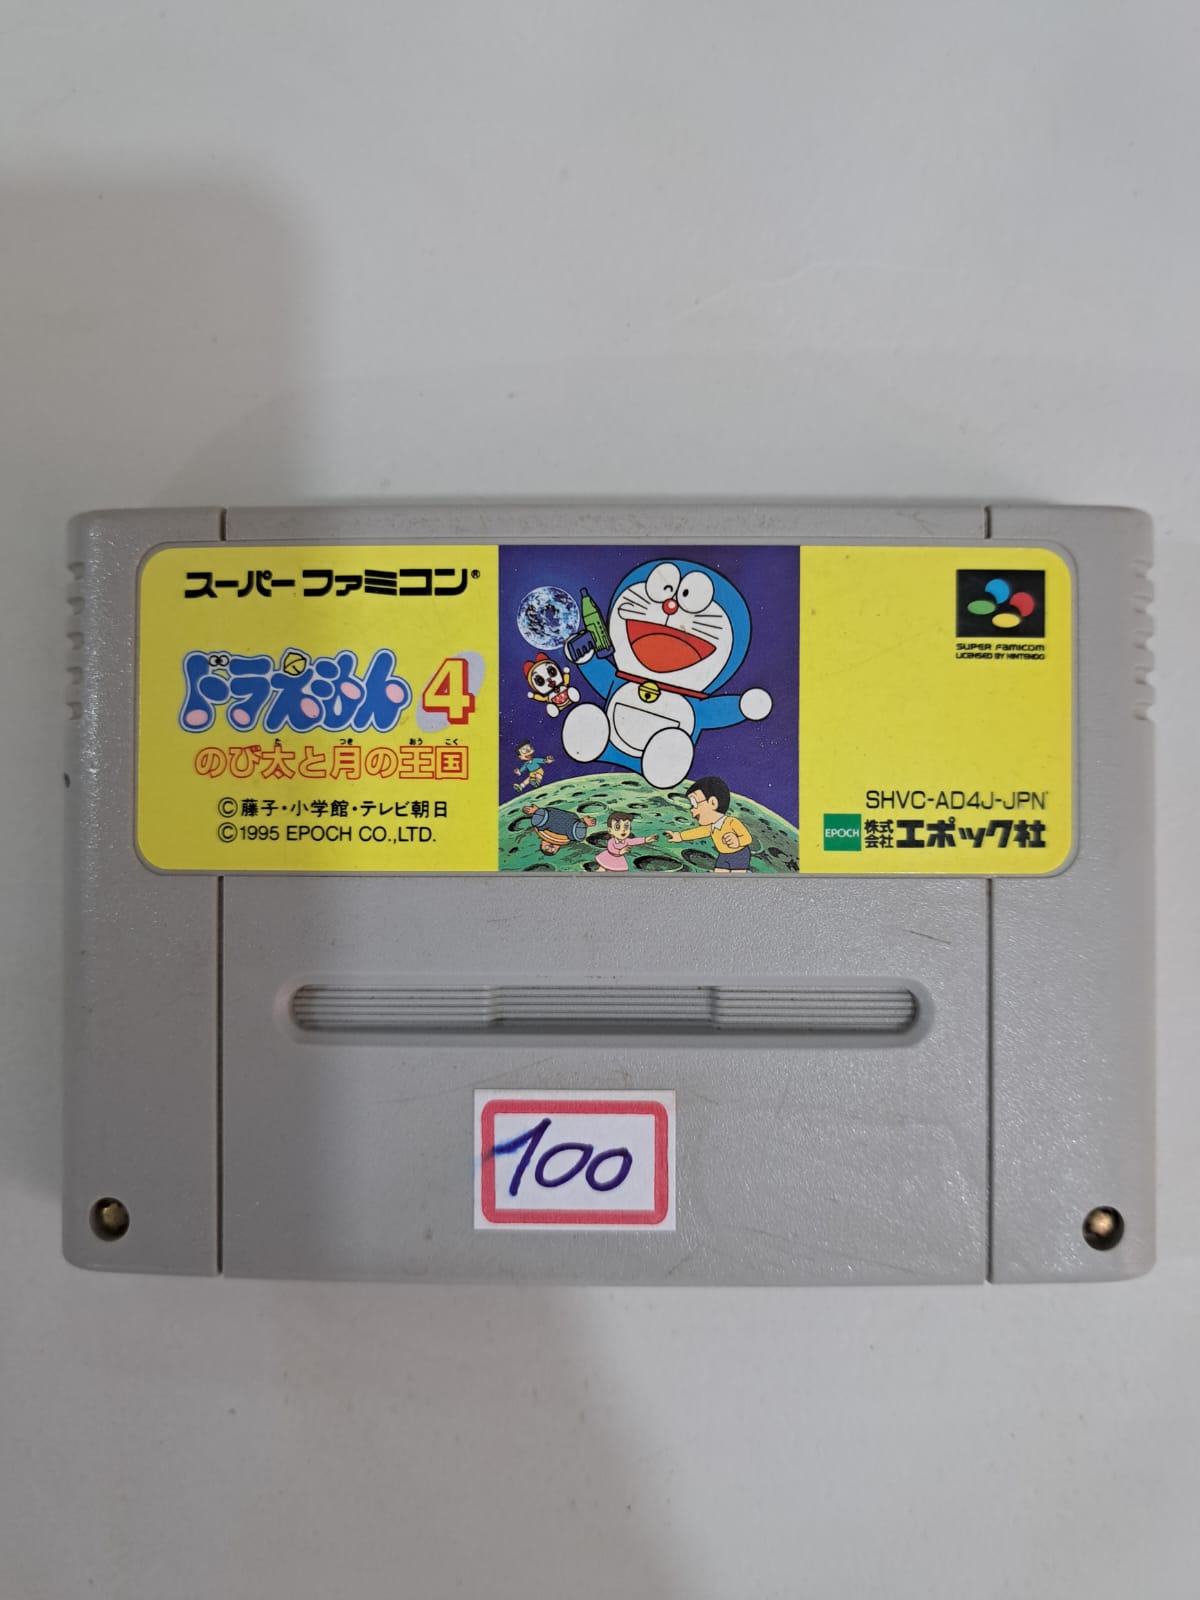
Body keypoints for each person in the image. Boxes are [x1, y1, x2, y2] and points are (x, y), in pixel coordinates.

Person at [666, 775, 752, 874]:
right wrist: (679, 836)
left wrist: (737, 841)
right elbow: (698, 832)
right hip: (723, 855)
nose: (692, 810)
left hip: (739, 854)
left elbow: (748, 838)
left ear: (713, 803)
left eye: (694, 804)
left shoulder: (732, 822)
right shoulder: (712, 827)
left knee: (737, 878)